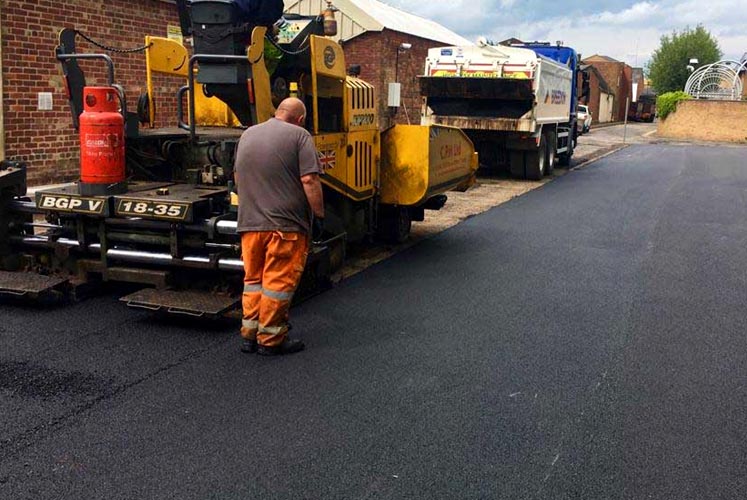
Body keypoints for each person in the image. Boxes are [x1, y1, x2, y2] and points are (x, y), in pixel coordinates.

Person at [234, 97, 324, 356]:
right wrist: (318, 215)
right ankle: (271, 339)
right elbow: (309, 179)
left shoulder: (248, 134)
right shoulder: (300, 135)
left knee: (253, 281)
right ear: (300, 119)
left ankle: (249, 335)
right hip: (284, 226)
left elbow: (238, 177)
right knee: (277, 283)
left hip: (250, 224)